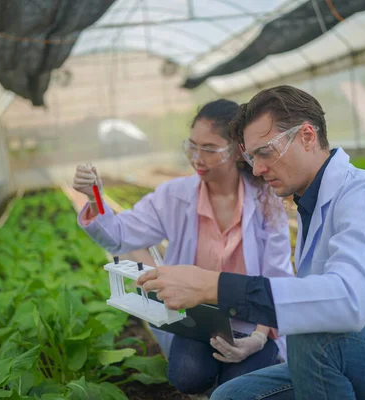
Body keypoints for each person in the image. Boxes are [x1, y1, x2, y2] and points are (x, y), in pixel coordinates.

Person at [138, 86, 365, 400]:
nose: (256, 169)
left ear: (307, 136)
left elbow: (346, 302)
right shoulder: (309, 201)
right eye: (252, 158)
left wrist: (214, 286)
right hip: (350, 353)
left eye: (265, 153)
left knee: (313, 331)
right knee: (228, 396)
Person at [72, 99, 295, 395]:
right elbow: (119, 235)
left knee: (239, 387)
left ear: (237, 150)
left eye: (209, 149)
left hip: (254, 324)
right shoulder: (174, 196)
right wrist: (94, 198)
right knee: (188, 375)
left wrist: (258, 337)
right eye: (192, 147)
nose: (197, 158)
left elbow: (277, 277)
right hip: (198, 320)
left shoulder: (267, 202)